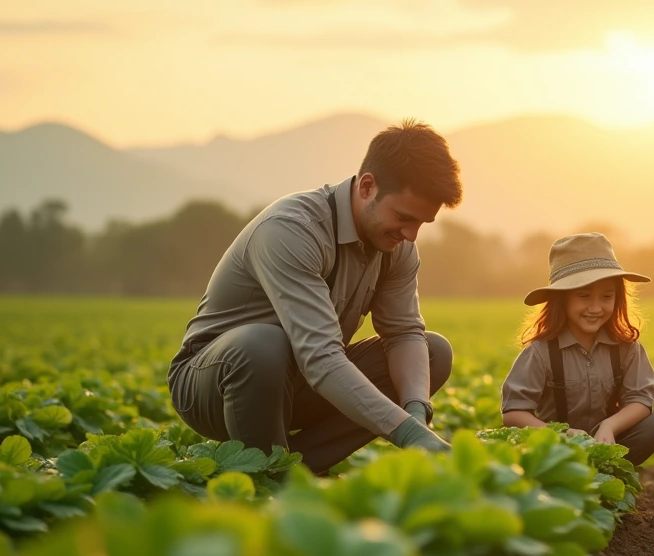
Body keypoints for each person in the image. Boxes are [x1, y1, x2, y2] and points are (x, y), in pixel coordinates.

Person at [167, 119, 457, 474]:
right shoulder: (292, 230)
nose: (411, 235)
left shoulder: (396, 247)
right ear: (367, 186)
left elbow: (404, 333)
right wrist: (407, 434)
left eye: (422, 224)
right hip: (217, 384)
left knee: (432, 351)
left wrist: (416, 411)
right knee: (262, 344)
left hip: (301, 381)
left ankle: (297, 468)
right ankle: (267, 471)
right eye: (403, 217)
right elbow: (319, 356)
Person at [500, 233, 654, 465]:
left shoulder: (627, 347)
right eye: (584, 296)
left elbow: (642, 399)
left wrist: (610, 426)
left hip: (607, 443)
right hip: (556, 449)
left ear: (617, 298)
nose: (595, 307)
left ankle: (610, 472)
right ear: (562, 299)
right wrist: (559, 435)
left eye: (606, 297)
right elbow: (513, 413)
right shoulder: (541, 351)